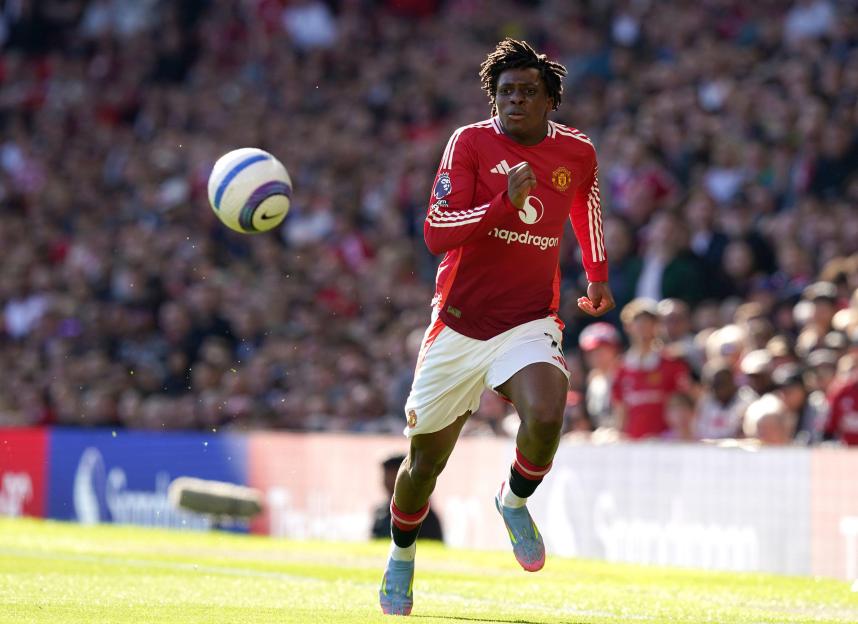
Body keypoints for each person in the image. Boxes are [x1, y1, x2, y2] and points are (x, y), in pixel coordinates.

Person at [378, 39, 616, 616]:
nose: (514, 100)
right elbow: (437, 230)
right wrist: (502, 206)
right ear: (493, 97)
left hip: (528, 320)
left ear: (549, 99)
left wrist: (597, 275)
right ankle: (402, 558)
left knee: (547, 412)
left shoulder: (576, 152)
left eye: (527, 91)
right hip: (458, 325)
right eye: (505, 91)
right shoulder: (470, 142)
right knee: (421, 469)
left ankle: (513, 500)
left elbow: (585, 205)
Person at [611, 298, 691, 440]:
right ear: (627, 326)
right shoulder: (621, 368)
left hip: (665, 443)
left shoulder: (672, 363)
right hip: (632, 445)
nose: (643, 327)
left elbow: (684, 405)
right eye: (638, 321)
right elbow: (621, 411)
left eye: (649, 322)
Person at [371, 454, 443, 541]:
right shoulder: (380, 512)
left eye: (393, 474)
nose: (388, 480)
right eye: (386, 474)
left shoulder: (421, 513)